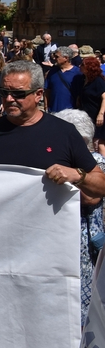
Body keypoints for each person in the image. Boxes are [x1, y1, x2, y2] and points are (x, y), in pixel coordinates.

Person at [0, 60, 105, 348]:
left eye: (18, 94)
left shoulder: (63, 132)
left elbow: (100, 184)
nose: (8, 100)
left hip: (47, 261)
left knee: (47, 339)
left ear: (39, 95)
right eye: (4, 92)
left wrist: (78, 176)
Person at [51, 109, 105, 326]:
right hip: (61, 231)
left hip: (84, 237)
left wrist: (71, 177)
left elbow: (91, 198)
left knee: (84, 287)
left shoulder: (96, 161)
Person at [44, 45, 81, 113]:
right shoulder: (52, 72)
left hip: (71, 112)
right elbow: (47, 90)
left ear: (66, 58)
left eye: (57, 57)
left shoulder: (78, 73)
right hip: (53, 111)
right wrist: (46, 106)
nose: (54, 58)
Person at [78, 56, 105, 143]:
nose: (79, 66)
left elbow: (104, 98)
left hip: (97, 115)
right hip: (87, 115)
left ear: (89, 67)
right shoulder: (83, 79)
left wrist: (101, 114)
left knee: (98, 142)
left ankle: (100, 157)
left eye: (82, 65)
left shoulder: (98, 81)